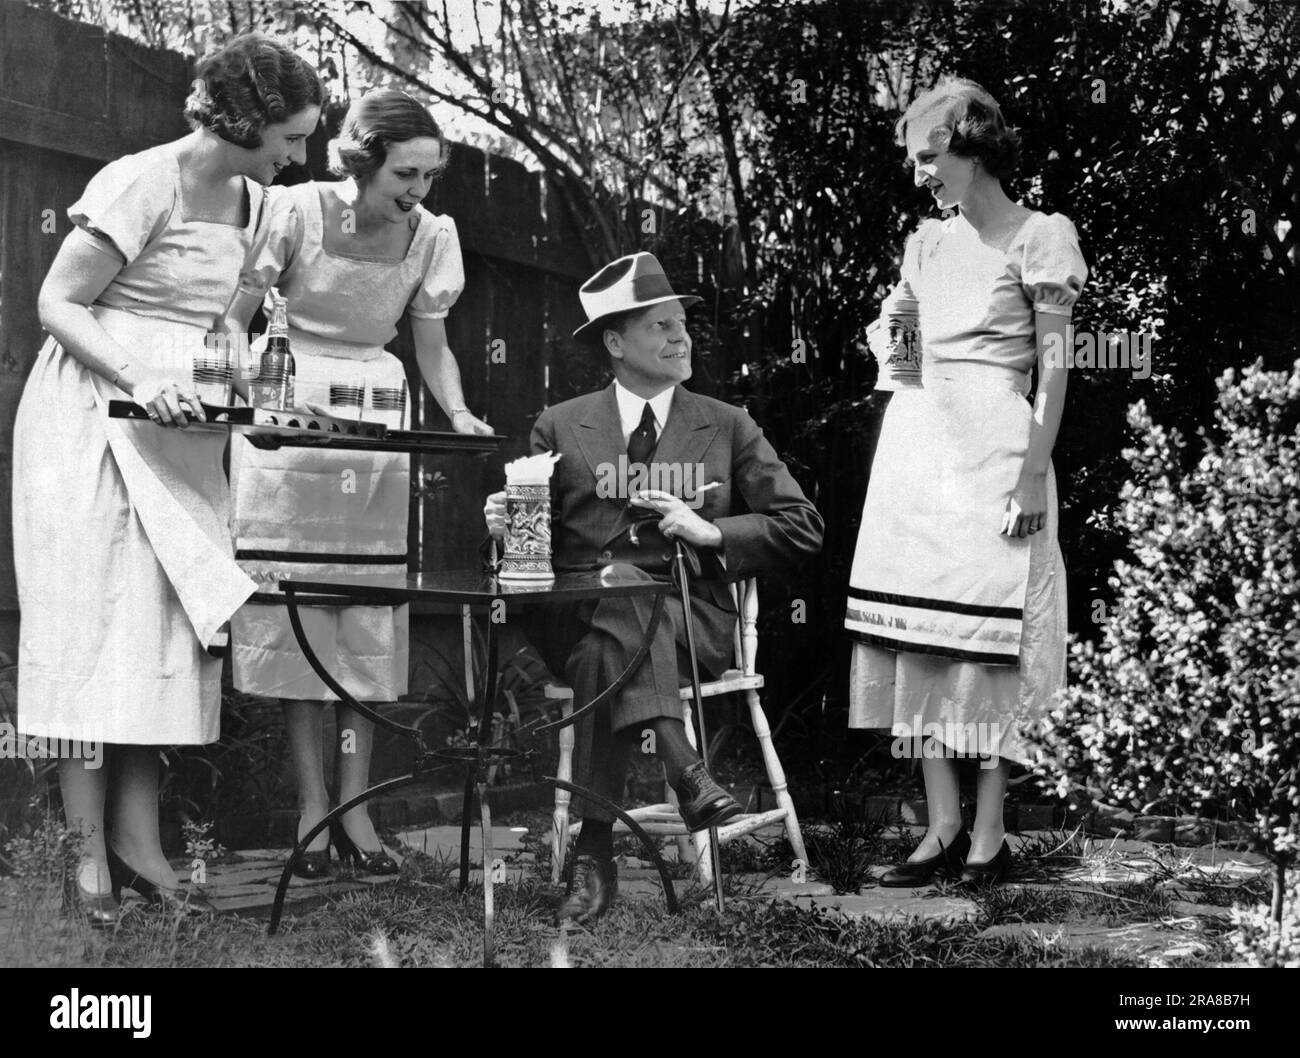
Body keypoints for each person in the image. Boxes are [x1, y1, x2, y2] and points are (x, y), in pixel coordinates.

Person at [13, 34, 323, 926]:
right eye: (289, 138)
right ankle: (83, 861)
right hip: (90, 422)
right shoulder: (139, 178)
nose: (297, 157)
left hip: (183, 437)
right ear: (242, 120)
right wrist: (141, 376)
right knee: (88, 630)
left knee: (163, 635)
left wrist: (255, 395)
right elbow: (59, 302)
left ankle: (140, 845)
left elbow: (228, 325)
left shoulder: (263, 206)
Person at [484, 252, 823, 923]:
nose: (681, 339)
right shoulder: (561, 424)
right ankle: (686, 770)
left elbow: (803, 526)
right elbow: (534, 551)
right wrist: (503, 526)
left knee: (606, 647)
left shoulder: (726, 424)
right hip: (573, 612)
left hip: (686, 622)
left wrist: (710, 532)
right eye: (661, 327)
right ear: (615, 343)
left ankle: (596, 850)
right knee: (615, 594)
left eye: (682, 325)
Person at [224, 89, 492, 878]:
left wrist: (460, 410)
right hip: (289, 418)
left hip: (375, 417)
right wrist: (250, 402)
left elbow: (431, 342)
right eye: (406, 173)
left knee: (367, 624)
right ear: (366, 157)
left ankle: (359, 814)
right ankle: (314, 812)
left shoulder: (431, 236)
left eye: (429, 176)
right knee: (302, 620)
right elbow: (234, 316)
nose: (417, 190)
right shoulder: (295, 210)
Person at [845, 78, 1088, 887]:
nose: (921, 173)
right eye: (915, 159)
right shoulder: (925, 244)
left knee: (989, 652)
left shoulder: (1039, 237)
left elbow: (1054, 373)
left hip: (997, 452)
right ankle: (940, 825)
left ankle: (989, 834)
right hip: (921, 456)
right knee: (920, 643)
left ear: (974, 148)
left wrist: (1030, 475)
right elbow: (905, 364)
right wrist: (897, 337)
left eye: (931, 156)